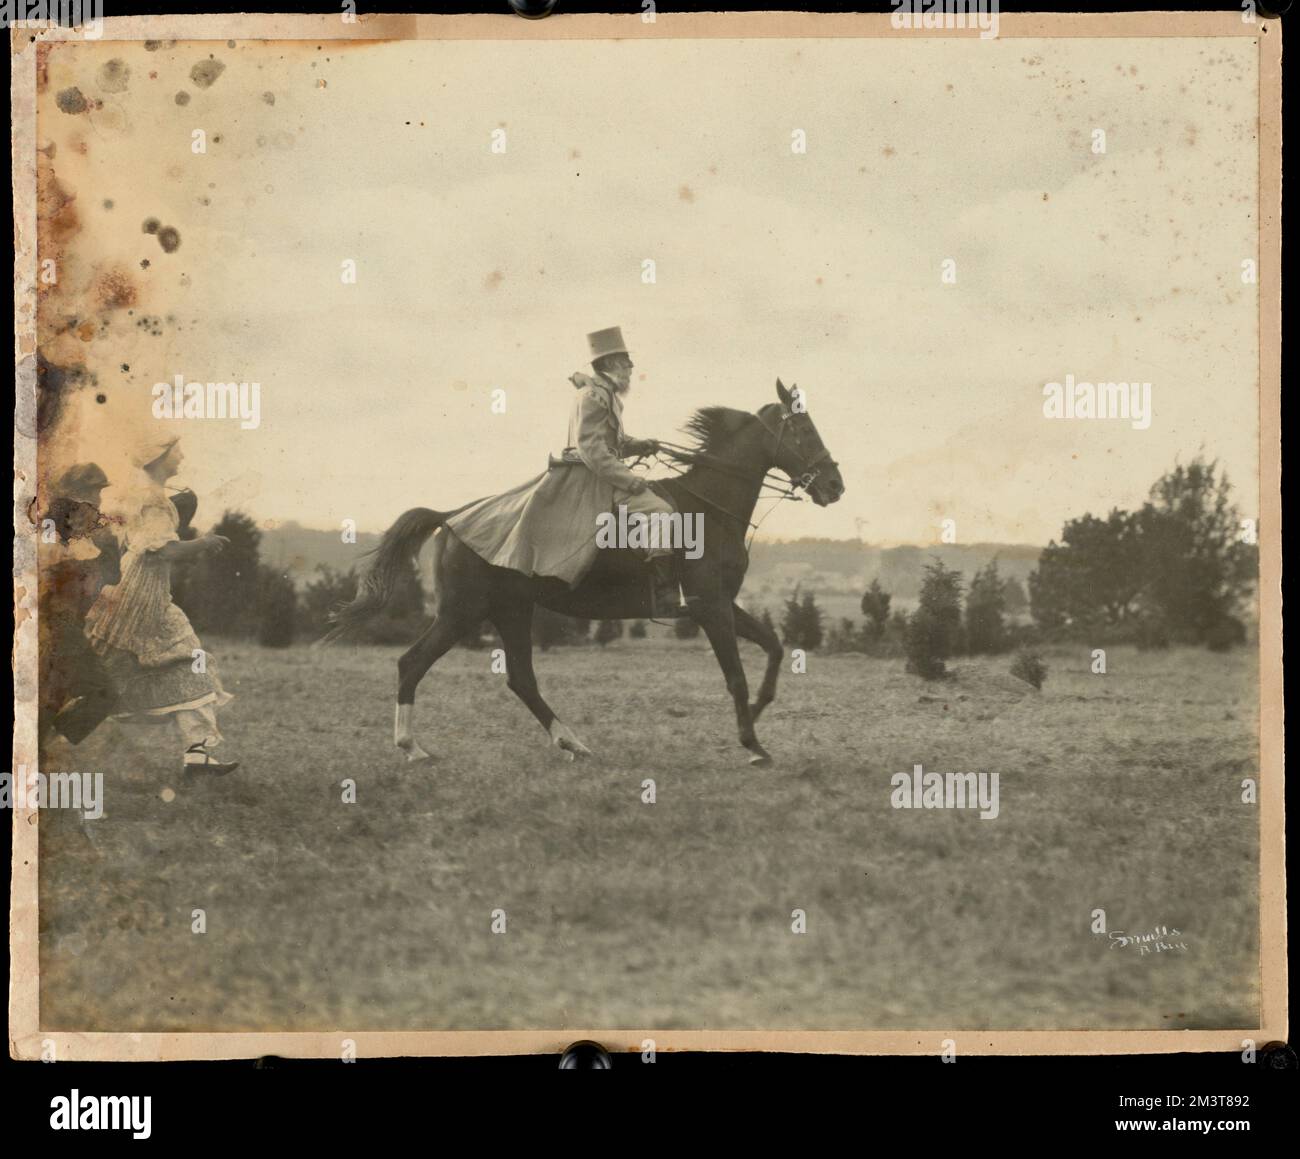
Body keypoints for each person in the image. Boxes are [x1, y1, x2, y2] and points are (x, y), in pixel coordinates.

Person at [445, 326, 686, 613]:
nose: (631, 368)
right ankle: (665, 593)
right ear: (610, 364)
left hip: (596, 473)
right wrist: (631, 482)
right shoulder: (593, 397)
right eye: (626, 362)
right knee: (661, 512)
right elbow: (592, 450)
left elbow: (609, 442)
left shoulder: (603, 394)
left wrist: (639, 445)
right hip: (592, 480)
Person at [83, 436, 240, 775]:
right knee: (106, 677)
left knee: (190, 662)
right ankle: (50, 736)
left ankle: (197, 756)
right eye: (176, 451)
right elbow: (163, 550)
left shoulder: (149, 497)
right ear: (159, 458)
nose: (182, 455)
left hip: (151, 595)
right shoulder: (152, 500)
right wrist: (204, 543)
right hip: (140, 599)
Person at [38, 462, 120, 745]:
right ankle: (46, 744)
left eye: (98, 492)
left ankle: (43, 745)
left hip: (64, 625)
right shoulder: (57, 521)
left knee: (51, 697)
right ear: (76, 491)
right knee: (103, 691)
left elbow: (112, 575)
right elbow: (46, 565)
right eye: (94, 491)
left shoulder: (89, 526)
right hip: (55, 625)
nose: (98, 499)